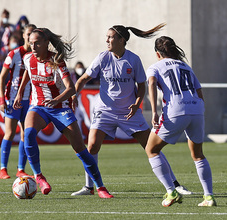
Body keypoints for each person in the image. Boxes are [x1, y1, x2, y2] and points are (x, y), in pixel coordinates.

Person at [71, 24, 192, 197]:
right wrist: (75, 94)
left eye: (111, 37)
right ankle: (89, 187)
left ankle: (176, 184)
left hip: (129, 112)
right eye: (107, 36)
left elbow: (141, 86)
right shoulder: (102, 57)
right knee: (91, 147)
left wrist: (137, 103)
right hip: (104, 111)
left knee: (152, 147)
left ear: (122, 40)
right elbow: (83, 79)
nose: (107, 40)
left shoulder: (133, 60)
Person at [12, 27, 113, 198]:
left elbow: (71, 88)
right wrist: (21, 92)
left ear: (46, 44)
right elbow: (27, 74)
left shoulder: (57, 61)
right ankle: (39, 176)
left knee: (80, 149)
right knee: (27, 134)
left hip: (60, 108)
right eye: (31, 43)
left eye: (37, 43)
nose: (33, 47)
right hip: (38, 106)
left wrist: (57, 100)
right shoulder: (28, 58)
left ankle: (100, 187)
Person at [145, 36, 216, 207]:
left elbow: (152, 83)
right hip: (196, 109)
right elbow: (199, 90)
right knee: (198, 154)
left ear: (158, 54)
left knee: (152, 149)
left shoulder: (155, 66)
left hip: (176, 109)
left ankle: (171, 192)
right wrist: (198, 109)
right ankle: (209, 197)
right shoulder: (186, 66)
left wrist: (154, 111)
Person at [0, 24, 37, 179]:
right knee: (9, 133)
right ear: (23, 35)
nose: (30, 37)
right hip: (13, 98)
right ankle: (3, 169)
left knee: (25, 135)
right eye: (28, 34)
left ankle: (20, 169)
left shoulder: (36, 55)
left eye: (33, 34)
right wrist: (2, 99)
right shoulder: (14, 54)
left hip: (30, 100)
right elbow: (2, 77)